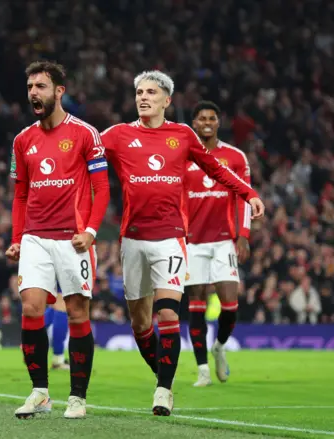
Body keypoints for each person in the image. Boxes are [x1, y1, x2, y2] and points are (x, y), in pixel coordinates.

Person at [100, 71, 264, 416]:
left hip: (172, 238)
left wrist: (248, 194)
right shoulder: (117, 136)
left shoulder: (182, 135)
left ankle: (163, 390)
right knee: (141, 324)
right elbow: (84, 155)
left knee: (167, 313)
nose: (143, 97)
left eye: (151, 93)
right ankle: (163, 374)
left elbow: (217, 169)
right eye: (139, 92)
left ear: (167, 100)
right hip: (132, 239)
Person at [6, 61, 110, 419]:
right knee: (32, 308)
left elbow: (101, 187)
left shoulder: (85, 134)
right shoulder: (22, 140)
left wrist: (91, 232)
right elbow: (20, 194)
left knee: (78, 313)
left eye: (41, 86)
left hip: (73, 239)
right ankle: (40, 392)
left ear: (59, 91)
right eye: (30, 86)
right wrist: (17, 238)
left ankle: (78, 396)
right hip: (35, 237)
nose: (34, 92)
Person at [185, 101, 252, 387]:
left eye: (212, 118)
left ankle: (220, 346)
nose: (208, 122)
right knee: (195, 304)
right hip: (192, 242)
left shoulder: (234, 157)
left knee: (230, 304)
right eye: (202, 118)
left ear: (218, 122)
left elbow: (245, 196)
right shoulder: (183, 157)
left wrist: (244, 235)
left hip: (224, 240)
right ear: (194, 123)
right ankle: (202, 370)